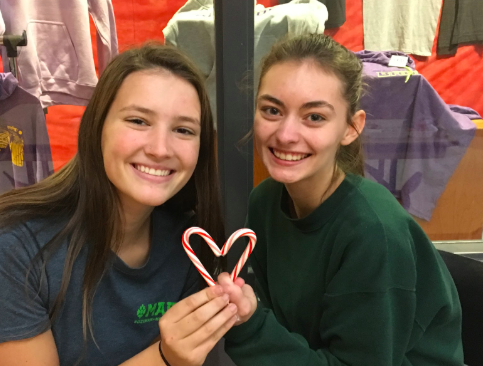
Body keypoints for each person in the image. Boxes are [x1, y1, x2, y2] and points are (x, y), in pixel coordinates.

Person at [218, 34, 464, 365]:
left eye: (314, 117)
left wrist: (248, 327)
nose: (286, 134)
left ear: (351, 128)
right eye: (272, 110)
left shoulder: (373, 234)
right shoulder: (265, 202)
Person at [0, 44, 239, 365]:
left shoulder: (192, 244)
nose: (160, 148)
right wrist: (165, 358)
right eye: (139, 121)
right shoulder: (16, 247)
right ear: (97, 127)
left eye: (183, 130)